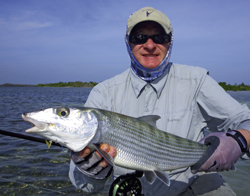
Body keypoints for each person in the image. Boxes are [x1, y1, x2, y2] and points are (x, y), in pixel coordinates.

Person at [69, 7, 250, 196]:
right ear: (127, 43)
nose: (149, 45)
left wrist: (239, 140)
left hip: (194, 182)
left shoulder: (197, 81)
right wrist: (89, 172)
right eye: (139, 38)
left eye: (159, 38)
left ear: (170, 42)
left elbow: (245, 120)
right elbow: (84, 185)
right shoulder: (103, 94)